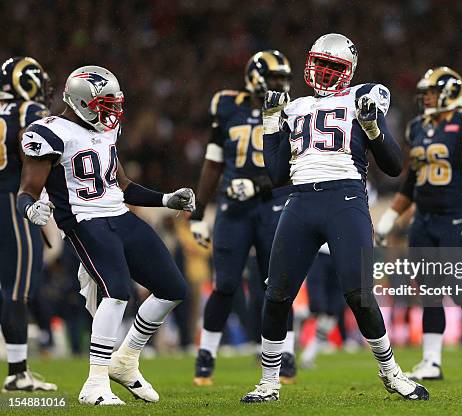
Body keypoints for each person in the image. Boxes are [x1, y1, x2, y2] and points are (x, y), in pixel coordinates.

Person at [240, 33, 429, 403]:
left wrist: (373, 129)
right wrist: (269, 124)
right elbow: (277, 173)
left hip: (345, 197)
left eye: (334, 67)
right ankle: (268, 382)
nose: (325, 73)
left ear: (349, 71)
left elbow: (393, 165)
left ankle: (391, 372)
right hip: (300, 200)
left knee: (359, 294)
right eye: (321, 64)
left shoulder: (364, 95)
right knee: (276, 294)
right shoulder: (293, 108)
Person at [17, 65, 195, 405]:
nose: (112, 112)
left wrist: (164, 198)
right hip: (85, 221)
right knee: (117, 292)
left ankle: (125, 360)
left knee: (173, 287)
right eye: (105, 104)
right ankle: (95, 383)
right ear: (83, 102)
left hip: (119, 215)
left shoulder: (104, 131)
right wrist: (29, 209)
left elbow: (121, 185)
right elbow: (27, 189)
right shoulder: (49, 133)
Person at [375, 67, 462, 381]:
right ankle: (431, 362)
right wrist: (391, 216)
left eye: (432, 92)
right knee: (428, 290)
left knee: (459, 290)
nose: (426, 98)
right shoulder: (418, 127)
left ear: (449, 92)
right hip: (423, 219)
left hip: (456, 218)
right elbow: (413, 180)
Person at [189, 50, 297, 385]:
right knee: (225, 285)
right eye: (275, 78)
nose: (280, 85)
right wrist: (198, 214)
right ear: (256, 76)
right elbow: (213, 160)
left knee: (277, 286)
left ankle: (285, 353)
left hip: (272, 207)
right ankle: (206, 354)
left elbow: (295, 164)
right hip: (233, 209)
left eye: (283, 78)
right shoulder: (227, 104)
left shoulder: (292, 111)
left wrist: (257, 185)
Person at [0, 56, 57, 392]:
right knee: (17, 290)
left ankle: (18, 369)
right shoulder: (27, 112)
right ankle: (18, 372)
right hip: (11, 200)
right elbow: (30, 153)